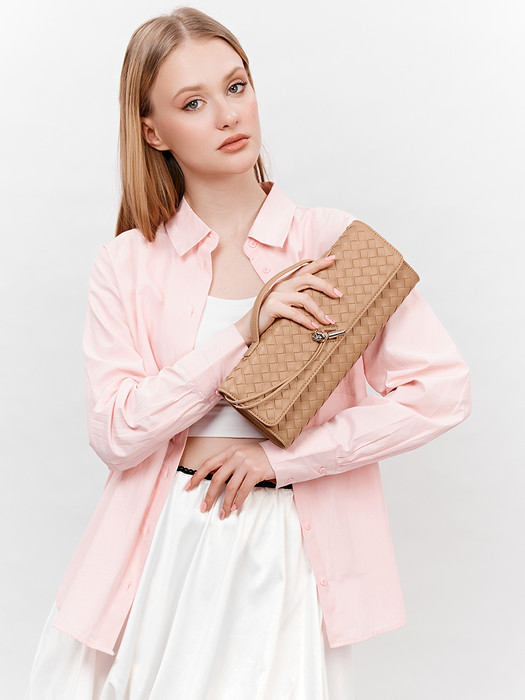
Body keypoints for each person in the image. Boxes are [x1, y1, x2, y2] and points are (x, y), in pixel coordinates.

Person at [25, 6, 471, 699]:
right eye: (193, 103)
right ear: (153, 131)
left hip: (287, 547)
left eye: (236, 87)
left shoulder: (332, 244)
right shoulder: (128, 263)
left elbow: (439, 392)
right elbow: (116, 434)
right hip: (164, 543)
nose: (228, 115)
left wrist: (280, 461)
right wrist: (244, 331)